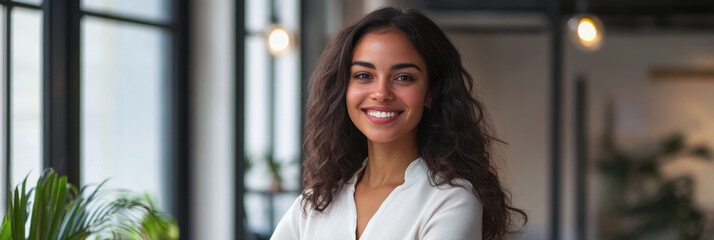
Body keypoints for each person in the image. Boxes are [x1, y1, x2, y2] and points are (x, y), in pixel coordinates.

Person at [271, 7, 526, 240]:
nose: (381, 92)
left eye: (403, 77)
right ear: (344, 88)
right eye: (363, 75)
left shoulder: (452, 200)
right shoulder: (316, 202)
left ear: (431, 92)